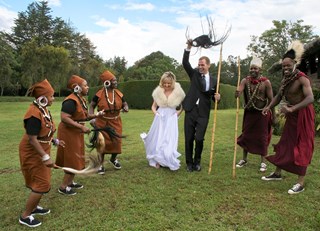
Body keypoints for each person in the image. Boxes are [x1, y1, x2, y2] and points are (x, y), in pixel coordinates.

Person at [261, 40, 315, 194]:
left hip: (304, 115)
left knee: (302, 146)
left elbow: (310, 98)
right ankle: (277, 173)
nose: (285, 68)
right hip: (292, 115)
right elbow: (278, 96)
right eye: (283, 65)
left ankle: (300, 183)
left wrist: (292, 109)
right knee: (285, 143)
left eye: (288, 65)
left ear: (295, 63)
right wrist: (268, 107)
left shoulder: (302, 78)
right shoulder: (286, 79)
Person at [19, 79, 65, 227]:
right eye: (51, 96)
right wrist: (45, 157)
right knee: (42, 183)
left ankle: (34, 207)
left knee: (42, 180)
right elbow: (32, 139)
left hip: (41, 148)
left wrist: (55, 141)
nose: (53, 98)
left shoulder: (43, 109)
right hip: (33, 151)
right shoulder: (33, 113)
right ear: (43, 98)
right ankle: (25, 216)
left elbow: (44, 132)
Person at [55, 75, 103, 195]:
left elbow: (84, 116)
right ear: (77, 88)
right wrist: (81, 127)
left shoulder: (81, 99)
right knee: (72, 159)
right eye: (85, 85)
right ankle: (63, 186)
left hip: (76, 131)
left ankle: (70, 182)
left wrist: (97, 114)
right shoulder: (70, 101)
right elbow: (64, 118)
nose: (88, 87)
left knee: (76, 157)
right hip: (68, 133)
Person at [182, 39, 221, 172]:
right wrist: (188, 47)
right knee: (189, 138)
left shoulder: (215, 80)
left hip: (204, 113)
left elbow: (215, 96)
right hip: (190, 110)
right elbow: (185, 63)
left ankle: (197, 162)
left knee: (199, 139)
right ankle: (189, 163)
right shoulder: (194, 75)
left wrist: (218, 97)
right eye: (199, 64)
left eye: (202, 65)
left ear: (208, 65)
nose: (200, 67)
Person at [235, 56, 274, 172]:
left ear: (260, 70)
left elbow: (272, 100)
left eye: (255, 68)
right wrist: (237, 92)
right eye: (251, 68)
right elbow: (239, 90)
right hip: (249, 113)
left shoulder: (266, 82)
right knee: (246, 135)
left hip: (262, 114)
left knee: (262, 138)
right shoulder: (245, 81)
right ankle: (244, 159)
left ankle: (263, 162)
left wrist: (272, 112)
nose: (253, 70)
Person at [140, 71, 185, 170]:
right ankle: (157, 160)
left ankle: (167, 159)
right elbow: (153, 106)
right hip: (160, 118)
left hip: (171, 118)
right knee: (158, 138)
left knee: (169, 139)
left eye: (169, 83)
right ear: (162, 82)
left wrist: (176, 114)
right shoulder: (158, 92)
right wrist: (156, 114)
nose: (166, 85)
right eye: (165, 83)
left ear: (172, 82)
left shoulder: (178, 92)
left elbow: (182, 106)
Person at [89, 70, 129, 175]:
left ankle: (113, 159)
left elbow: (125, 103)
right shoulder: (99, 94)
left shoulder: (119, 93)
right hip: (102, 122)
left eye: (116, 80)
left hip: (116, 121)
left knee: (116, 142)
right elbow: (92, 105)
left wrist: (125, 107)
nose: (116, 82)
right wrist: (92, 117)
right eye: (113, 80)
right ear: (107, 82)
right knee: (102, 143)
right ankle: (100, 164)